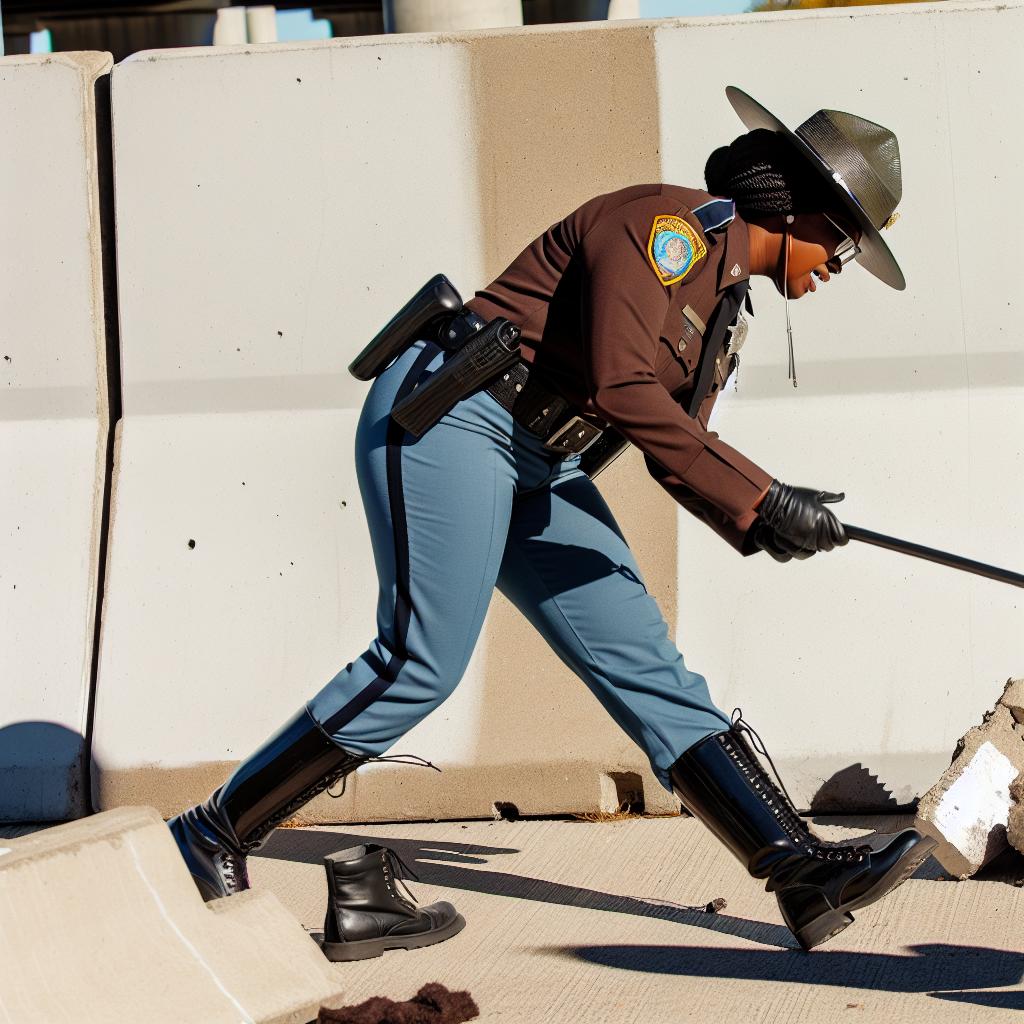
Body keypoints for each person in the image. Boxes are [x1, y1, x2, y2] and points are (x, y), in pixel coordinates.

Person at [168, 86, 935, 953]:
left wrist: (765, 524)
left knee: (651, 669)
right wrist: (760, 494)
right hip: (454, 416)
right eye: (843, 240)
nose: (841, 264)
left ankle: (799, 873)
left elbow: (670, 443)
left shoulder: (727, 305)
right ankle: (210, 834)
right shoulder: (670, 232)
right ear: (797, 207)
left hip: (544, 460)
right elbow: (623, 386)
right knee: (422, 663)